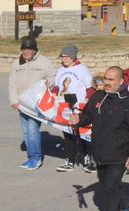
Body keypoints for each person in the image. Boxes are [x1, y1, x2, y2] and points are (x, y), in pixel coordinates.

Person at [68, 67, 129, 211]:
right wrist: (78, 119)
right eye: (105, 79)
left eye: (111, 79)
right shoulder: (98, 97)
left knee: (110, 187)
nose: (107, 83)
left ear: (121, 81)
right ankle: (126, 206)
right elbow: (87, 116)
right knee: (106, 184)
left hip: (119, 153)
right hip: (100, 152)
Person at [9, 36, 56, 171]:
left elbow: (54, 78)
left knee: (32, 130)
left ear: (35, 50)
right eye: (24, 48)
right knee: (26, 132)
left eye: (28, 48)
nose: (25, 51)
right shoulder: (17, 63)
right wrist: (14, 101)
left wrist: (47, 80)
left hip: (37, 104)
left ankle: (36, 158)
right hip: (22, 104)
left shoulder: (45, 62)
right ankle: (31, 157)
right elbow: (12, 84)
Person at [52, 45, 95, 173]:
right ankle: (69, 160)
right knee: (67, 134)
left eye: (66, 57)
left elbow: (90, 87)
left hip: (78, 107)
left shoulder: (82, 70)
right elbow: (56, 85)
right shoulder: (60, 70)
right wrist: (54, 92)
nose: (63, 59)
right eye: (62, 56)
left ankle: (86, 159)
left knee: (79, 134)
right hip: (63, 107)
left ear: (73, 57)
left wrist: (88, 98)